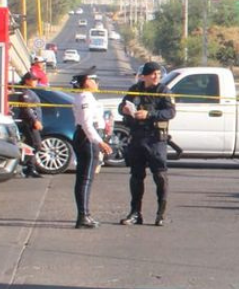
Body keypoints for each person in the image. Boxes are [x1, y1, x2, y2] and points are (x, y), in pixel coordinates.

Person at [119, 61, 176, 227]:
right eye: (153, 74)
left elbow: (170, 112)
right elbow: (121, 105)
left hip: (155, 139)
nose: (156, 76)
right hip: (137, 137)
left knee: (160, 176)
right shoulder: (135, 89)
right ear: (144, 75)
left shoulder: (163, 91)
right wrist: (124, 109)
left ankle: (161, 214)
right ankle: (135, 213)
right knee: (136, 177)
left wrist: (149, 114)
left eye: (158, 74)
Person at [71, 73, 112, 229]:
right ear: (86, 82)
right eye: (93, 79)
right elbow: (87, 124)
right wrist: (99, 142)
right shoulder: (85, 98)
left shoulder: (86, 97)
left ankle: (85, 214)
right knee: (85, 178)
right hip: (86, 138)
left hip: (88, 136)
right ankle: (83, 215)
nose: (96, 82)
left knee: (86, 177)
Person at [10, 71, 45, 178]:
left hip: (32, 123)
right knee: (36, 145)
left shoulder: (28, 91)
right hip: (29, 123)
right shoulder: (24, 93)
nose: (36, 82)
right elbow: (26, 109)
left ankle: (30, 168)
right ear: (27, 80)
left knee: (31, 146)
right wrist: (35, 121)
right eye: (34, 80)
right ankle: (24, 166)